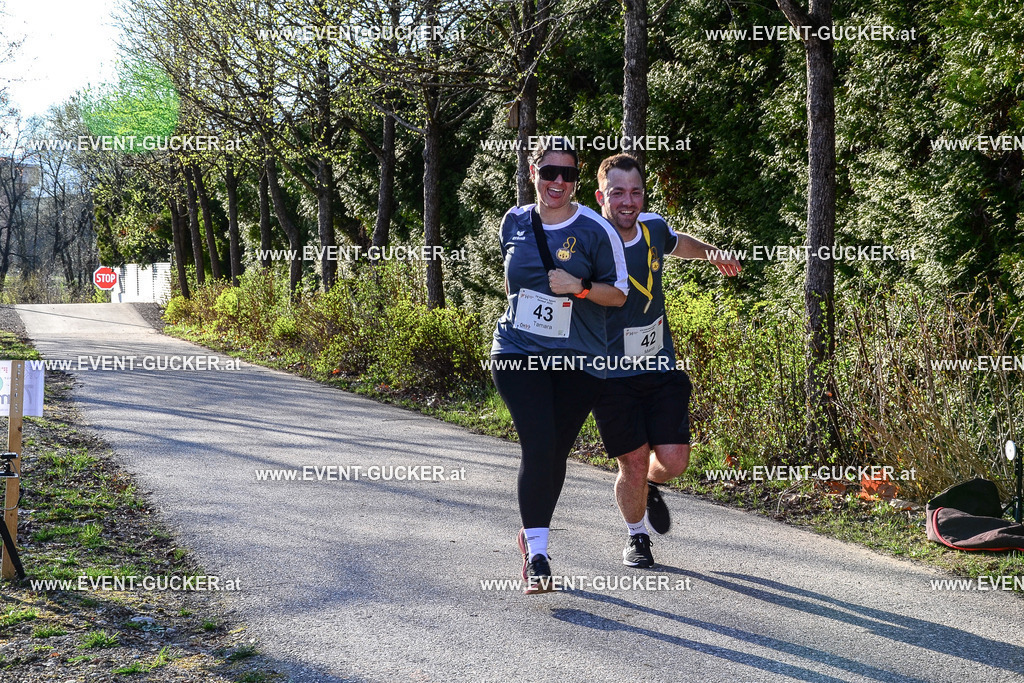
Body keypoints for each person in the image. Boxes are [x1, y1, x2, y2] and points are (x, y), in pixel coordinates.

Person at [490, 137, 628, 594]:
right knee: (539, 443)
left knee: (555, 452)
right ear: (534, 173)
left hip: (579, 360)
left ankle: (532, 538)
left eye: (567, 174)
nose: (558, 182)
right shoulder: (513, 220)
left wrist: (580, 287)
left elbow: (619, 294)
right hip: (517, 350)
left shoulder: (595, 229)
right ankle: (540, 553)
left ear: (576, 179)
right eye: (549, 172)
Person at [592, 153, 740, 568]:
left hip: (659, 365)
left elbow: (679, 242)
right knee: (633, 462)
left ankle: (649, 486)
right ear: (600, 195)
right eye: (617, 192)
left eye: (635, 191)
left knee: (673, 461)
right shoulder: (589, 239)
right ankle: (637, 537)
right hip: (610, 376)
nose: (627, 200)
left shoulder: (653, 228)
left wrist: (713, 253)